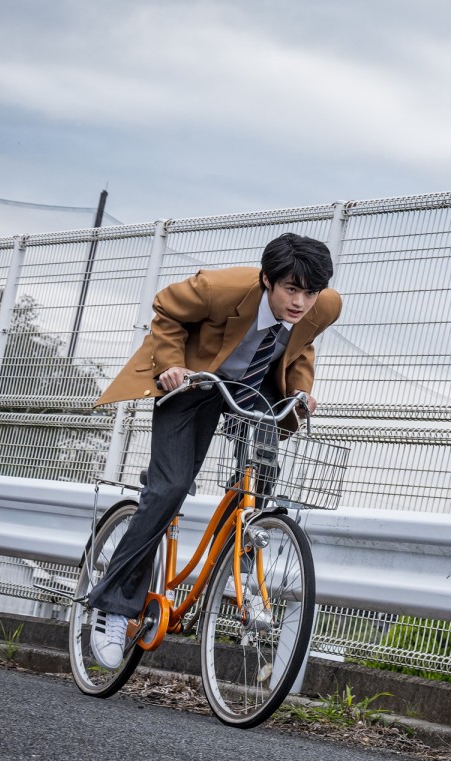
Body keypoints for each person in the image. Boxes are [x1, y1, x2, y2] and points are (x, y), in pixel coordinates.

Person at [86, 232, 342, 668]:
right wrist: (171, 367)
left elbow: (301, 346)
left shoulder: (324, 306)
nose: (301, 302)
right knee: (170, 489)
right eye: (291, 289)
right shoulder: (218, 290)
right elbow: (166, 309)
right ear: (267, 280)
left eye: (310, 292)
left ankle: (239, 572)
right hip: (194, 380)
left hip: (253, 387)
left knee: (260, 480)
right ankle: (112, 607)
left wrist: (301, 392)